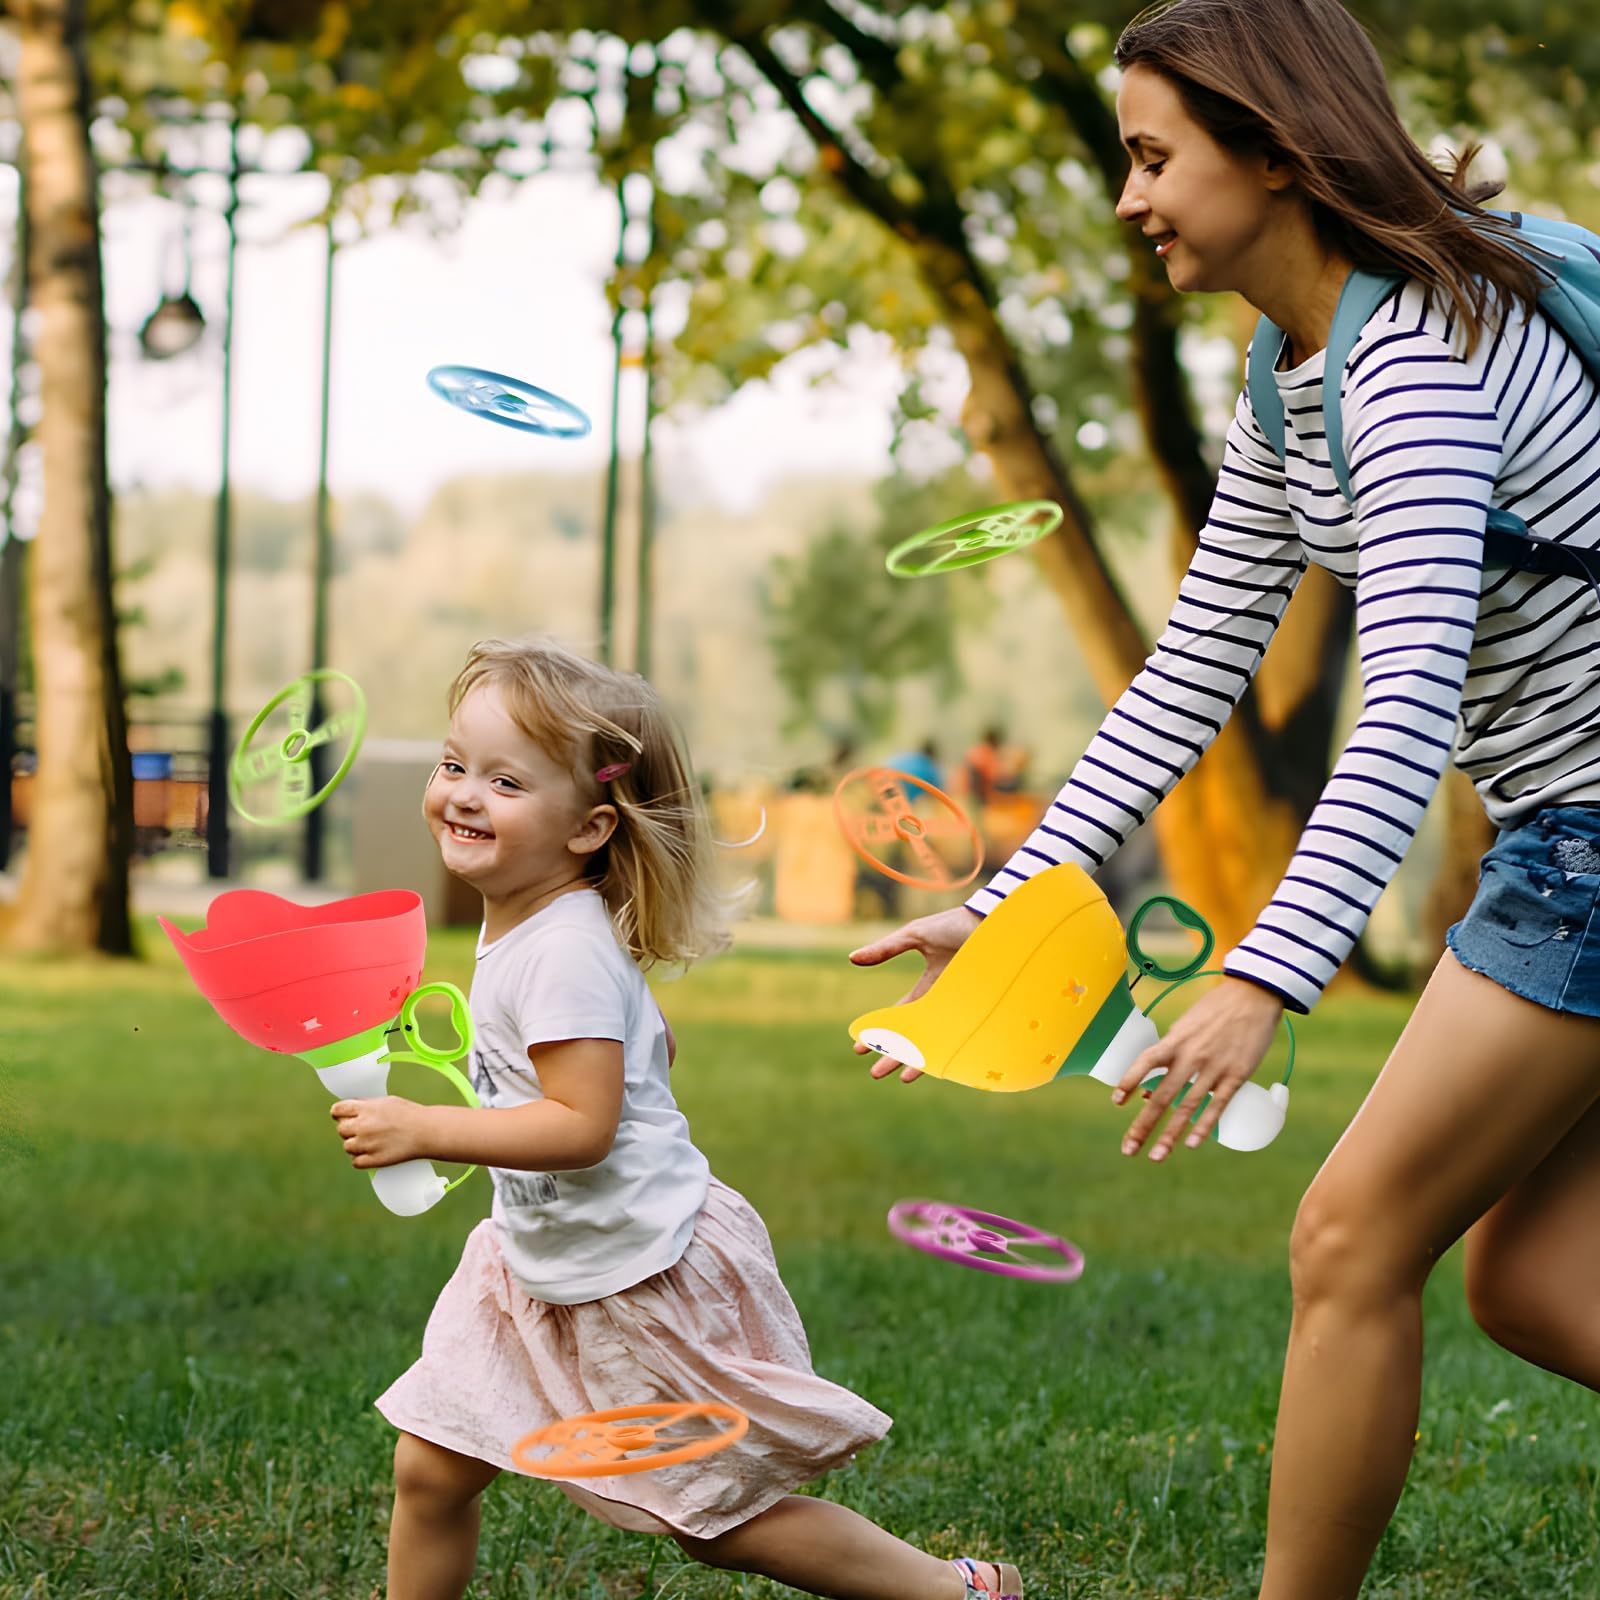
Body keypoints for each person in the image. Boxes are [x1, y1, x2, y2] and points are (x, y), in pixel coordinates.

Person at [849, 3, 1600, 1598]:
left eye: (1152, 156)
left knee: (1348, 1237)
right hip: (1570, 830)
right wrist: (1009, 905)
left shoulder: (1411, 370)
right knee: (1536, 1283)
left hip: (1591, 841)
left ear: (1274, 151)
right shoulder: (1296, 365)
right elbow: (1188, 675)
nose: (1127, 195)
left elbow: (1402, 707)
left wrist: (1267, 974)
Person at [329, 637, 1024, 1600]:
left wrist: (427, 1128)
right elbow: (644, 1051)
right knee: (432, 1466)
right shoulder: (532, 922)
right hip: (537, 1258)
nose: (463, 795)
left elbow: (581, 1128)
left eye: (506, 781)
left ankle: (959, 1593)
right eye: (454, 766)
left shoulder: (562, 949)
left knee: (714, 1519)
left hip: (633, 1272)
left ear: (589, 829)